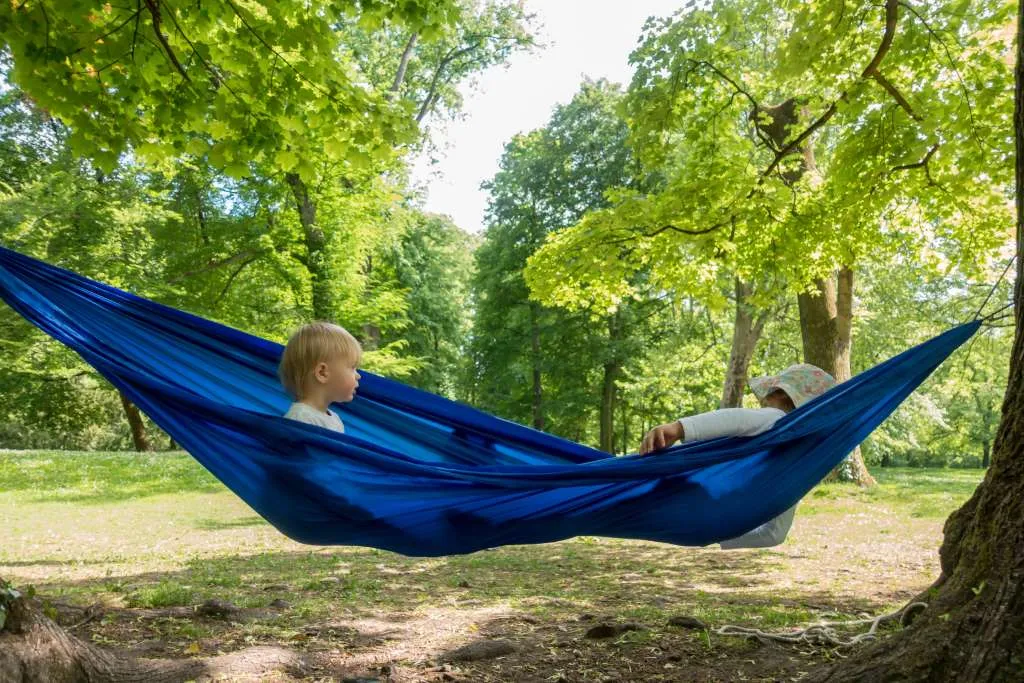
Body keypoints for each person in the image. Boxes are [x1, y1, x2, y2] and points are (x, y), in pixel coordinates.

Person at [639, 364, 837, 549]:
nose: (763, 400)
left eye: (768, 394)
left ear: (781, 394)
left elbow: (736, 419)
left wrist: (679, 428)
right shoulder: (799, 462)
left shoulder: (778, 419)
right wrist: (716, 536)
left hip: (698, 486)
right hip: (713, 508)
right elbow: (775, 534)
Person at [278, 322, 361, 433]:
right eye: (352, 367)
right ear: (322, 373)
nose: (358, 376)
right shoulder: (300, 418)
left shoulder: (334, 418)